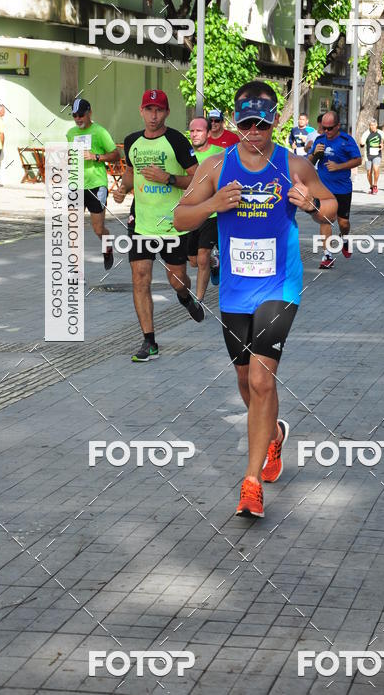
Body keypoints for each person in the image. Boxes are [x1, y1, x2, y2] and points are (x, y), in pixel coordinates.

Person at [174, 81, 337, 518]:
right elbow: (179, 218)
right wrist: (212, 206)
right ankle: (275, 436)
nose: (253, 131)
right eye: (246, 123)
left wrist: (310, 204)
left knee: (263, 381)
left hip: (280, 287)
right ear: (235, 122)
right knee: (247, 384)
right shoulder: (214, 166)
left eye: (261, 124)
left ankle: (250, 483)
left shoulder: (293, 163)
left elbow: (331, 206)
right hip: (236, 292)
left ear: (273, 122)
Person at [113, 90, 201, 362]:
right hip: (141, 223)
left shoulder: (176, 140)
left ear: (167, 113)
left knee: (176, 280)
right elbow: (130, 172)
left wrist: (168, 179)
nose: (153, 115)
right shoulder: (131, 141)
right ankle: (149, 341)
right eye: (149, 109)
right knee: (140, 278)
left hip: (173, 224)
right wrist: (122, 188)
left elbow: (198, 178)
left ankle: (185, 296)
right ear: (141, 111)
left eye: (159, 110)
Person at [66, 98, 120, 269]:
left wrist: (95, 156)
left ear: (89, 113)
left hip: (96, 185)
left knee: (98, 229)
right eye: (74, 115)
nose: (78, 118)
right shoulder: (70, 133)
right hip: (76, 185)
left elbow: (116, 155)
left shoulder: (100, 132)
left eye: (81, 114)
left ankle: (107, 247)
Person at [309, 111, 362, 268]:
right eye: (323, 128)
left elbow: (358, 160)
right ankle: (327, 256)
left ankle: (345, 239)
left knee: (343, 223)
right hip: (324, 189)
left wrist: (339, 166)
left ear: (338, 126)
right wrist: (314, 154)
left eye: (330, 128)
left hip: (342, 188)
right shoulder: (319, 140)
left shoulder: (346, 140)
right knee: (325, 221)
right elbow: (308, 163)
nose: (326, 131)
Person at [187, 117, 225, 297]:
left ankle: (199, 301)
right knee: (193, 261)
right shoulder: (184, 154)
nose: (194, 134)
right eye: (192, 131)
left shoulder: (221, 154)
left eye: (199, 131)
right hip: (190, 214)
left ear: (209, 133)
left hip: (211, 213)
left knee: (202, 258)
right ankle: (214, 263)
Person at [360, 119, 384, 194]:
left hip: (377, 154)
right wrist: (361, 143)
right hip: (368, 155)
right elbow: (361, 143)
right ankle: (371, 186)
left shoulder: (380, 132)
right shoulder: (366, 133)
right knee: (369, 172)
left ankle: (375, 185)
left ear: (376, 125)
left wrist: (382, 144)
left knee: (376, 169)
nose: (372, 127)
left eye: (374, 125)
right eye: (371, 125)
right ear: (369, 126)